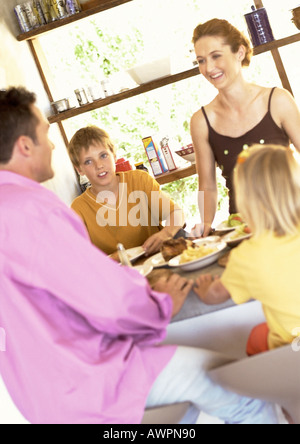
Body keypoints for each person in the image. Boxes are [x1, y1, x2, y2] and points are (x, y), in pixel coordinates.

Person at [0, 87, 279, 424]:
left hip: (42, 396)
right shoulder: (34, 210)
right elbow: (105, 300)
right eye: (46, 132)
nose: (52, 144)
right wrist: (159, 304)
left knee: (184, 410)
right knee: (235, 388)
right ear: (25, 145)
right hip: (88, 380)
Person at [190, 18, 300, 237]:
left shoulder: (277, 100)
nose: (209, 68)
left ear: (239, 53)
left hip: (291, 217)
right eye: (201, 60)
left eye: (216, 56)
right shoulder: (201, 121)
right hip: (243, 227)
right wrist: (206, 224)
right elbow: (208, 185)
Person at [194, 144, 300, 357]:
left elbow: (217, 294)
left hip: (291, 351)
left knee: (255, 340)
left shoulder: (247, 256)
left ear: (247, 202)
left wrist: (206, 290)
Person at [68, 126, 185, 256]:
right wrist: (115, 258)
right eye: (88, 161)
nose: (99, 165)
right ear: (79, 169)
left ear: (114, 155)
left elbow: (176, 213)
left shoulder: (140, 180)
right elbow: (81, 256)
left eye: (103, 155)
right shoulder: (78, 208)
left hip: (159, 259)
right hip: (118, 273)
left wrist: (166, 233)